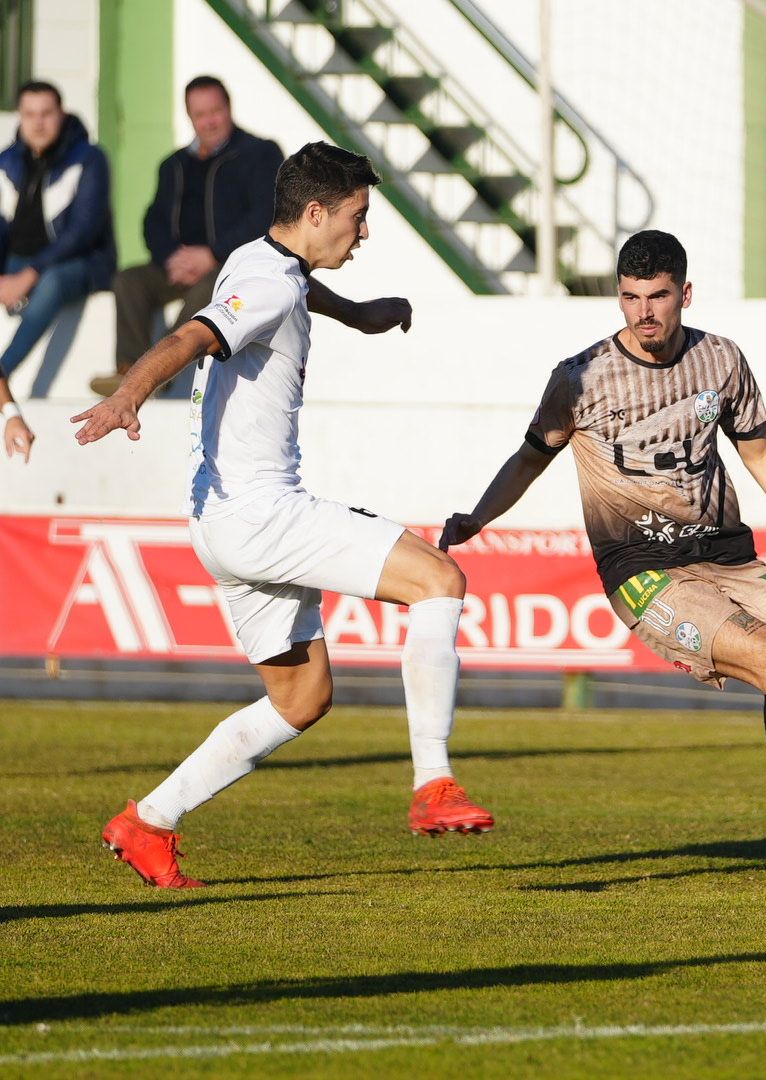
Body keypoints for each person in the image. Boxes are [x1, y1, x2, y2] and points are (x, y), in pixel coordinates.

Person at [441, 229, 766, 883]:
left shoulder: (721, 361)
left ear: (684, 292)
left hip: (730, 557)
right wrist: (479, 517)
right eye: (629, 298)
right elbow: (530, 459)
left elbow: (758, 451)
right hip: (644, 572)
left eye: (657, 297)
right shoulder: (580, 376)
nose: (643, 313)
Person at [74, 142, 492, 889]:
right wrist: (127, 395)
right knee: (439, 580)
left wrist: (361, 315)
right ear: (315, 212)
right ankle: (434, 783)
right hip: (261, 513)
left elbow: (288, 290)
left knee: (302, 697)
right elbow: (191, 337)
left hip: (215, 519)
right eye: (358, 219)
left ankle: (149, 822)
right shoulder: (267, 284)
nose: (363, 234)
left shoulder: (259, 262)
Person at [89, 75, 283, 397]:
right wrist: (171, 258)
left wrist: (213, 254)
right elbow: (153, 220)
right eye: (200, 114)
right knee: (129, 281)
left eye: (215, 111)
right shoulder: (174, 164)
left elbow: (265, 215)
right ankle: (129, 371)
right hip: (178, 265)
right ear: (190, 117)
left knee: (211, 287)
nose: (209, 121)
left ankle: (158, 372)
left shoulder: (260, 153)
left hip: (230, 263)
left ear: (229, 108)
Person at [0, 81, 116, 382]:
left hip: (80, 264)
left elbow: (82, 233)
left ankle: (2, 371)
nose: (38, 122)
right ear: (20, 118)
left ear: (62, 115)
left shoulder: (89, 158)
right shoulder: (8, 162)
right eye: (30, 114)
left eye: (46, 113)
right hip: (17, 261)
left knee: (51, 281)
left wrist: (29, 275)